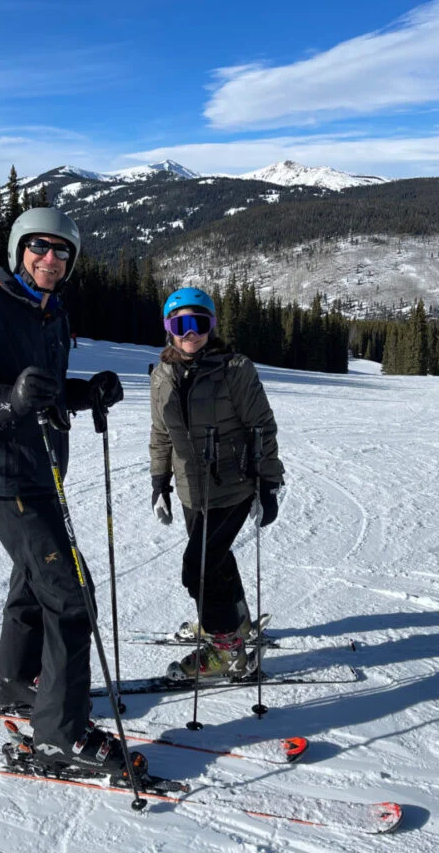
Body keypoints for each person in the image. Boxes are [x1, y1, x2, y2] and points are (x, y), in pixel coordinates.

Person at [0, 207, 126, 773]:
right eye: (40, 247)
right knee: (69, 593)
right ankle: (62, 734)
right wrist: (4, 400)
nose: (51, 260)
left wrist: (85, 394)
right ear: (18, 250)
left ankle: (15, 681)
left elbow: (45, 391)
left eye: (63, 252)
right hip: (4, 473)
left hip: (42, 473)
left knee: (35, 582)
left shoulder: (51, 312)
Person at [149, 287, 284, 679]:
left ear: (212, 326)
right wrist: (160, 482)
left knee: (198, 568)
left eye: (200, 323)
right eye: (180, 325)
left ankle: (227, 650)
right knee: (217, 560)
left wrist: (268, 483)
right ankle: (234, 623)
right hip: (191, 491)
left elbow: (262, 428)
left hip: (233, 487)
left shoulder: (235, 369)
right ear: (168, 329)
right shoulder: (162, 376)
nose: (191, 333)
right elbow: (160, 434)